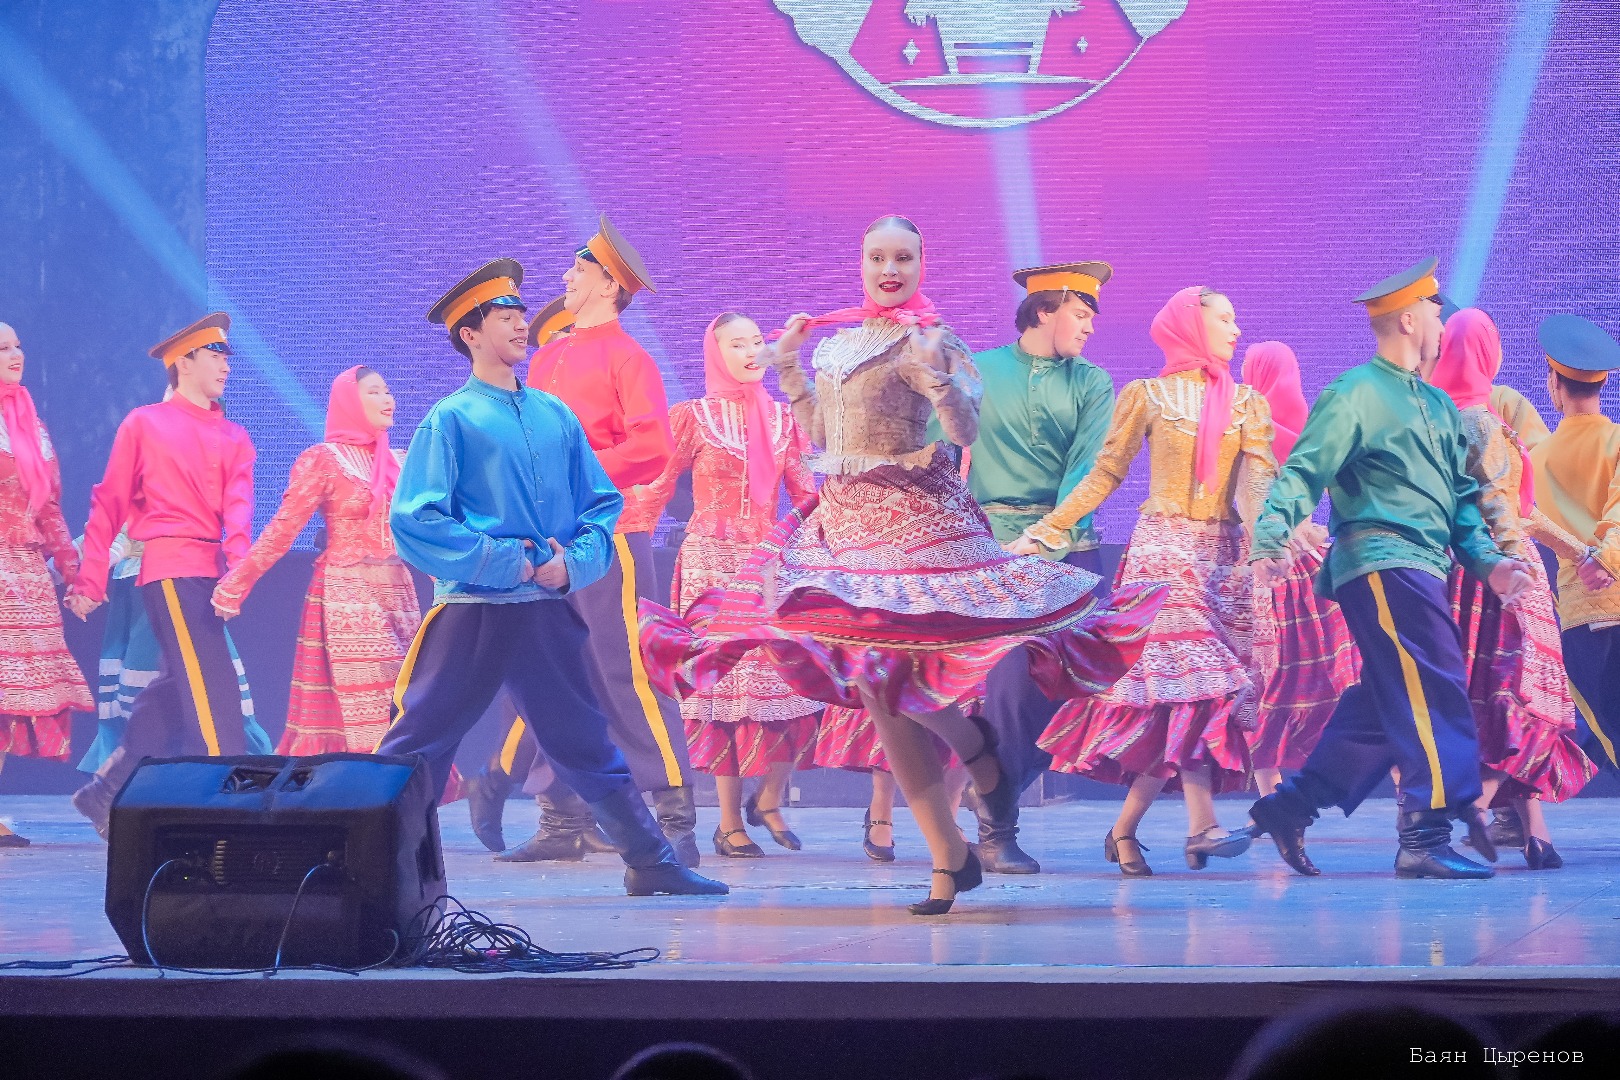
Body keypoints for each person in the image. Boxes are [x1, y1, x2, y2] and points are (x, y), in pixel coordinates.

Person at [641, 215, 1164, 914]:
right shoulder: (837, 345)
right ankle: (961, 803)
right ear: (861, 263)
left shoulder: (935, 338)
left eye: (903, 258)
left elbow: (965, 433)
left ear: (921, 265)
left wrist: (936, 380)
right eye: (877, 257)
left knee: (886, 690)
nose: (889, 270)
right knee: (878, 688)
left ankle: (955, 832)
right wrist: (792, 366)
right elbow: (823, 435)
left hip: (915, 522)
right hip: (846, 524)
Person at [375, 258, 725, 897]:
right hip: (476, 608)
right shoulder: (452, 418)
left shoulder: (553, 415)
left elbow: (601, 504)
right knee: (418, 741)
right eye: (503, 316)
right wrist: (504, 561)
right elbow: (414, 521)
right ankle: (360, 859)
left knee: (584, 738)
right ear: (470, 334)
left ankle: (650, 861)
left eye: (519, 312)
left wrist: (573, 564)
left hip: (541, 606)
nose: (520, 323)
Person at [1245, 259, 1533, 880]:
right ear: (1407, 319)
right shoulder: (1355, 392)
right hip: (1379, 558)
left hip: (1425, 564)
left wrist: (1490, 563)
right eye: (1433, 311)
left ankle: (1292, 806)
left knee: (1389, 697)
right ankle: (1424, 836)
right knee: (1437, 682)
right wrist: (1269, 536)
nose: (1441, 323)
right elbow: (1304, 469)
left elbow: (1461, 500)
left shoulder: (1439, 406)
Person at [1010, 287, 1274, 876]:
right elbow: (1105, 473)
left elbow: (1256, 489)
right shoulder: (1147, 395)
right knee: (1198, 682)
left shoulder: (1248, 404)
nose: (1235, 329)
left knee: (1180, 706)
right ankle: (1202, 825)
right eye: (1224, 318)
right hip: (1163, 554)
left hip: (1222, 559)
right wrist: (1047, 531)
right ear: (1190, 325)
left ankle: (1124, 829)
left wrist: (1271, 544)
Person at [473, 217, 700, 868]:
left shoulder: (629, 358)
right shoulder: (549, 357)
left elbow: (652, 446)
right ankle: (560, 819)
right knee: (550, 675)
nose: (566, 278)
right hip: (546, 544)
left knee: (624, 672)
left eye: (578, 270)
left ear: (607, 284)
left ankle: (675, 817)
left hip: (607, 537)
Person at [929, 261, 1116, 874]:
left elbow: (1088, 467)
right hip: (990, 549)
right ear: (1043, 311)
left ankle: (993, 792)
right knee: (1011, 688)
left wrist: (1046, 535)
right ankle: (997, 826)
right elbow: (934, 446)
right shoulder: (981, 371)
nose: (1089, 327)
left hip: (1066, 548)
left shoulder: (1092, 383)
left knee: (1074, 693)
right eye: (1080, 314)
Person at [635, 313, 820, 857]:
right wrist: (610, 534)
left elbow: (805, 495)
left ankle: (770, 797)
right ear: (716, 353)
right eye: (737, 344)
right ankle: (727, 821)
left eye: (757, 342)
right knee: (722, 689)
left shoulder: (784, 420)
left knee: (792, 679)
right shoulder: (693, 417)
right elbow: (656, 488)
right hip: (710, 564)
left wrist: (834, 538)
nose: (750, 352)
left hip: (767, 561)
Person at [66, 313, 257, 838]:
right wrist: (90, 579)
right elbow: (109, 502)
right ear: (183, 363)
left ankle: (107, 790)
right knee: (214, 698)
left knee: (178, 688)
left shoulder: (234, 435)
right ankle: (221, 815)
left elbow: (239, 512)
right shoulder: (145, 424)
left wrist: (238, 574)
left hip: (210, 575)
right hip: (169, 572)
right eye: (214, 355)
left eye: (226, 356)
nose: (225, 365)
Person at [1429, 309, 1596, 868]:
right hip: (1508, 573)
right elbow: (1512, 513)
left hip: (1463, 572)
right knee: (1528, 698)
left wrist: (1579, 552)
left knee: (1500, 698)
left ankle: (1536, 834)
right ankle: (1478, 808)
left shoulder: (1436, 421)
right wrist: (1540, 558)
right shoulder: (1481, 421)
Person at [212, 367, 419, 755]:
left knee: (407, 701)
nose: (388, 399)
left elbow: (429, 524)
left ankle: (390, 788)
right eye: (375, 392)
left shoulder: (401, 461)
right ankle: (371, 784)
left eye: (388, 391)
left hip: (398, 593)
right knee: (375, 703)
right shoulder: (325, 459)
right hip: (348, 592)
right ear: (350, 402)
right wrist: (237, 583)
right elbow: (284, 528)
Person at [1240, 342, 1359, 797]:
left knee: (1272, 683)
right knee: (1334, 674)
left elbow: (1248, 506)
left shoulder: (1246, 431)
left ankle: (1272, 794)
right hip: (1298, 568)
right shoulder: (1303, 435)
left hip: (1267, 566)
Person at [0, 321, 94, 846]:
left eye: (18, 345)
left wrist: (75, 573)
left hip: (27, 577)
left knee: (11, 702)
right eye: (3, 348)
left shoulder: (31, 425)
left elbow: (50, 510)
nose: (16, 354)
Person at [76, 523, 269, 776]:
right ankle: (134, 775)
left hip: (177, 575)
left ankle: (215, 768)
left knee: (199, 677)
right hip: (140, 584)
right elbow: (112, 525)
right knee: (152, 677)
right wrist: (81, 566)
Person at [1528, 314, 1620, 779]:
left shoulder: (1534, 458)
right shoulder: (1617, 440)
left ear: (1554, 384)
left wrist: (1585, 559)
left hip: (1579, 612)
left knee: (1610, 730)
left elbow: (1526, 518)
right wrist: (1606, 559)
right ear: (1603, 383)